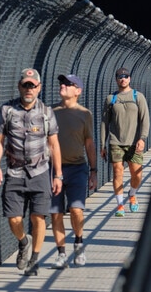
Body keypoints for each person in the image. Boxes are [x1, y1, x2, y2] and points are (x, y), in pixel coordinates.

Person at [0, 68, 63, 276]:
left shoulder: (46, 113)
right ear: (19, 86)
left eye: (33, 85)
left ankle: (34, 258)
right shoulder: (8, 111)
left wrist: (58, 175)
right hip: (14, 171)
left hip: (40, 171)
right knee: (13, 218)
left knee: (38, 217)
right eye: (26, 85)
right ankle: (24, 241)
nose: (29, 89)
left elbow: (54, 144)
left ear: (39, 88)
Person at [49, 74, 97, 269]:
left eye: (69, 84)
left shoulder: (85, 114)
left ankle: (78, 242)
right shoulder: (50, 111)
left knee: (76, 209)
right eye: (62, 83)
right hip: (53, 170)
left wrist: (93, 171)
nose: (63, 86)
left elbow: (89, 143)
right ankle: (61, 254)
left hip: (77, 168)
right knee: (56, 213)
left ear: (78, 91)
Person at [100, 67, 150, 217]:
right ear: (116, 80)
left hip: (134, 142)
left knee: (137, 174)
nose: (123, 79)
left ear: (130, 78)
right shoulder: (111, 99)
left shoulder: (138, 97)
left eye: (125, 76)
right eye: (120, 77)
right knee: (117, 172)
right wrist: (102, 144)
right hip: (116, 142)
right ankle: (120, 205)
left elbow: (145, 119)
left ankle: (132, 194)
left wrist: (142, 138)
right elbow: (104, 123)